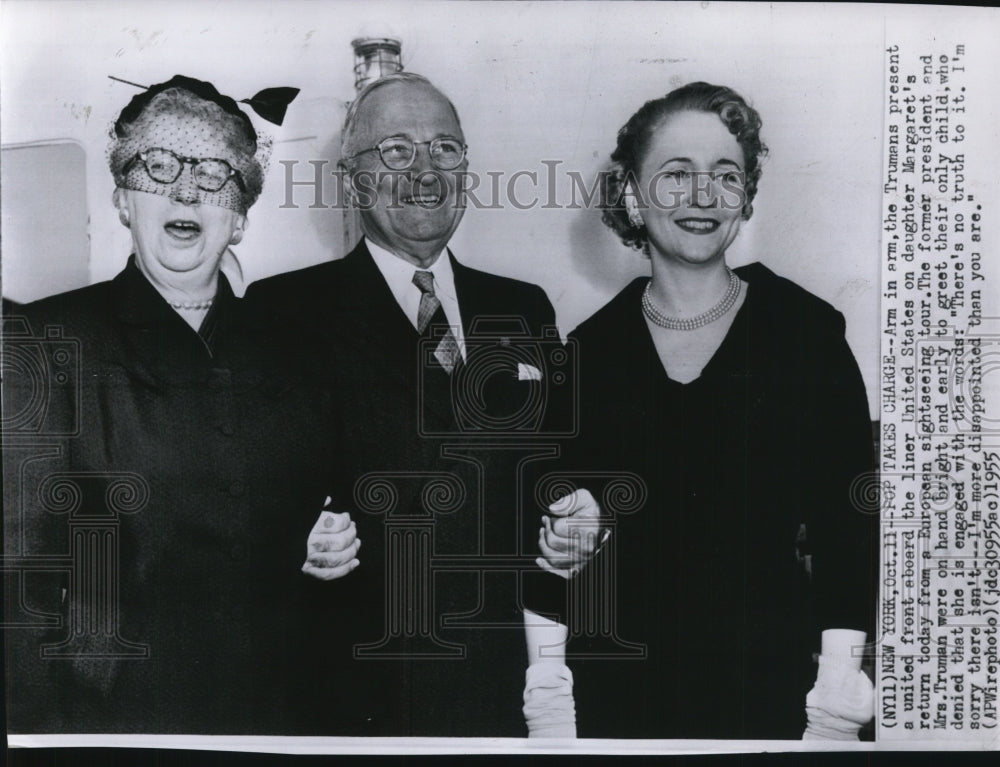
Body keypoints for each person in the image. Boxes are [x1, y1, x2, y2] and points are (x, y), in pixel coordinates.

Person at [245, 71, 599, 736]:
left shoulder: (523, 307)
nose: (425, 171)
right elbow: (248, 499)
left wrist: (583, 519)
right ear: (353, 177)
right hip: (349, 696)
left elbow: (561, 472)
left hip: (503, 689)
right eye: (397, 151)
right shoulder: (279, 312)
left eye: (445, 148)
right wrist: (295, 534)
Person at [522, 82, 877, 740]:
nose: (703, 197)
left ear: (746, 194)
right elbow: (549, 556)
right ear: (632, 192)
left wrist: (832, 710)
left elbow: (846, 533)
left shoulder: (805, 335)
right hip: (616, 704)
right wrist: (549, 705)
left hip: (771, 700)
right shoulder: (584, 353)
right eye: (677, 174)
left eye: (726, 175)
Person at [2, 75, 329, 734]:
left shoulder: (292, 351)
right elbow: (19, 590)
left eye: (214, 174)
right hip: (115, 724)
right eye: (158, 166)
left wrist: (325, 537)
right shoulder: (45, 344)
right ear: (124, 199)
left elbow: (313, 510)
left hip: (274, 717)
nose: (185, 190)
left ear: (239, 214)